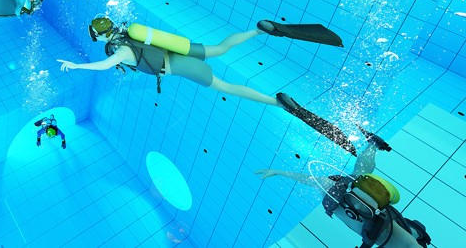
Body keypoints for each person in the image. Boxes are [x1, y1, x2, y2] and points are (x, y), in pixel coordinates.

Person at [59, 17, 356, 155]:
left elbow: (105, 66)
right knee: (220, 48)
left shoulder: (121, 50)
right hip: (181, 50)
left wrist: (76, 66)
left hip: (179, 66)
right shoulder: (129, 31)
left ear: (100, 36)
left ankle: (276, 102)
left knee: (226, 87)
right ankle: (259, 30)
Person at [256, 129, 431, 248]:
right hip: (372, 220)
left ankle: (373, 145)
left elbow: (306, 179)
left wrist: (278, 172)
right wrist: (278, 172)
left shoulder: (331, 190)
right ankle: (373, 144)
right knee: (360, 173)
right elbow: (308, 179)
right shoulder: (337, 188)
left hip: (375, 224)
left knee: (360, 173)